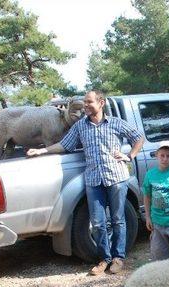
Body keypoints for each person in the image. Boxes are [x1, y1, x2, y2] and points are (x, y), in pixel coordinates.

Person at [27, 90, 145, 276]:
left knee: (118, 219)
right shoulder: (81, 126)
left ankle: (118, 258)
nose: (85, 106)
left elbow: (139, 138)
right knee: (97, 223)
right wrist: (41, 151)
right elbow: (65, 145)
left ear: (101, 103)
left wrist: (129, 155)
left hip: (116, 178)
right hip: (93, 180)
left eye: (89, 102)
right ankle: (104, 259)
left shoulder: (115, 123)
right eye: (84, 102)